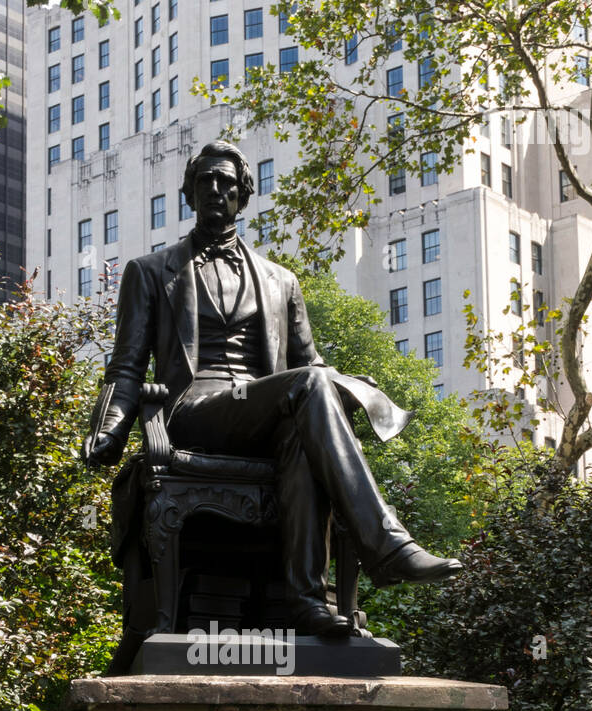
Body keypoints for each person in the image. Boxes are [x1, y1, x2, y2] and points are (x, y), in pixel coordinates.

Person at [82, 140, 461, 637]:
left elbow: (310, 365)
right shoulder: (150, 273)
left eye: (226, 182)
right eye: (205, 181)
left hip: (266, 410)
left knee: (306, 433)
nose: (215, 190)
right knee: (310, 389)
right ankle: (388, 548)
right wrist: (108, 430)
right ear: (190, 194)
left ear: (243, 195)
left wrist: (347, 383)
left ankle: (307, 602)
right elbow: (127, 366)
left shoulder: (281, 280)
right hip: (195, 412)